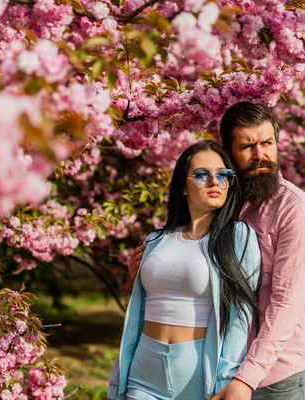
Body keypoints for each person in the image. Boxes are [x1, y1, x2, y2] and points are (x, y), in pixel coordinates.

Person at [127, 102, 305, 400]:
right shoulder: (224, 207)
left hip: (277, 379)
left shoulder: (296, 211)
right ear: (229, 153)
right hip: (217, 374)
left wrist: (245, 380)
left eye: (267, 143)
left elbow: (287, 304)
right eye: (248, 146)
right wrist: (148, 272)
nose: (261, 155)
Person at [107, 140, 262, 400]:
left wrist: (229, 376)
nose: (215, 182)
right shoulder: (156, 239)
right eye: (202, 174)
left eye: (223, 175)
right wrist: (139, 280)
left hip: (199, 376)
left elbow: (240, 317)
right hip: (144, 371)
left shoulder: (238, 237)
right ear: (183, 186)